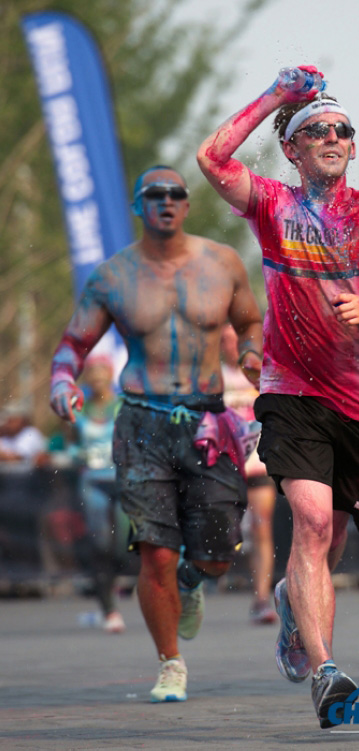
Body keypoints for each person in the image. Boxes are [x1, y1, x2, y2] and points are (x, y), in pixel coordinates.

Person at [197, 66, 359, 728]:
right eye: (316, 130)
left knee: (331, 545)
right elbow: (211, 158)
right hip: (291, 392)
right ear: (293, 150)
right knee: (312, 523)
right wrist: (278, 96)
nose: (331, 136)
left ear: (353, 147)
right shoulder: (273, 203)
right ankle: (328, 670)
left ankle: (292, 604)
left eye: (341, 130)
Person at [50, 165, 263, 702]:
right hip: (141, 421)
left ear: (187, 205)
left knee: (216, 554)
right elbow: (72, 346)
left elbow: (251, 325)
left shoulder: (223, 263)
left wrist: (256, 355)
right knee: (155, 553)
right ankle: (170, 663)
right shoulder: (113, 276)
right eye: (155, 195)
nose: (166, 202)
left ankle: (193, 582)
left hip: (208, 421)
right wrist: (60, 382)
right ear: (139, 207)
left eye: (176, 194)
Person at [220, 323, 277, 625]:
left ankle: (261, 598)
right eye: (225, 340)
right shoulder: (212, 375)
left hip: (258, 462)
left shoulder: (257, 370)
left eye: (235, 340)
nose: (231, 345)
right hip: (223, 466)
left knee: (262, 527)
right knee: (220, 530)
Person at [70, 353, 128, 633]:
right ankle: (108, 607)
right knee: (101, 542)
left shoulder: (123, 406)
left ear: (109, 373)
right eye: (90, 372)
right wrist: (74, 454)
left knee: (121, 543)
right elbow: (64, 445)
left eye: (100, 371)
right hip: (92, 481)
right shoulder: (78, 411)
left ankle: (117, 584)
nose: (96, 377)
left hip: (121, 480)